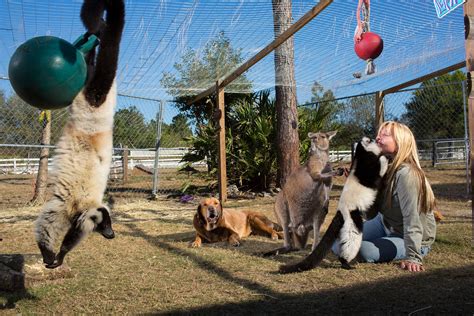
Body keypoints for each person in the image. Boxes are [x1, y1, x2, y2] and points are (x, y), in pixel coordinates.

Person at [359, 121, 437, 272]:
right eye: (378, 134)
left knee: (364, 250)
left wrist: (413, 257)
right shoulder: (383, 168)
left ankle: (414, 249)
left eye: (385, 134)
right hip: (385, 223)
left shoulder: (407, 173)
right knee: (342, 240)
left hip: (408, 235)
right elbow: (370, 214)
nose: (378, 138)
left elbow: (411, 217)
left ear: (400, 141)